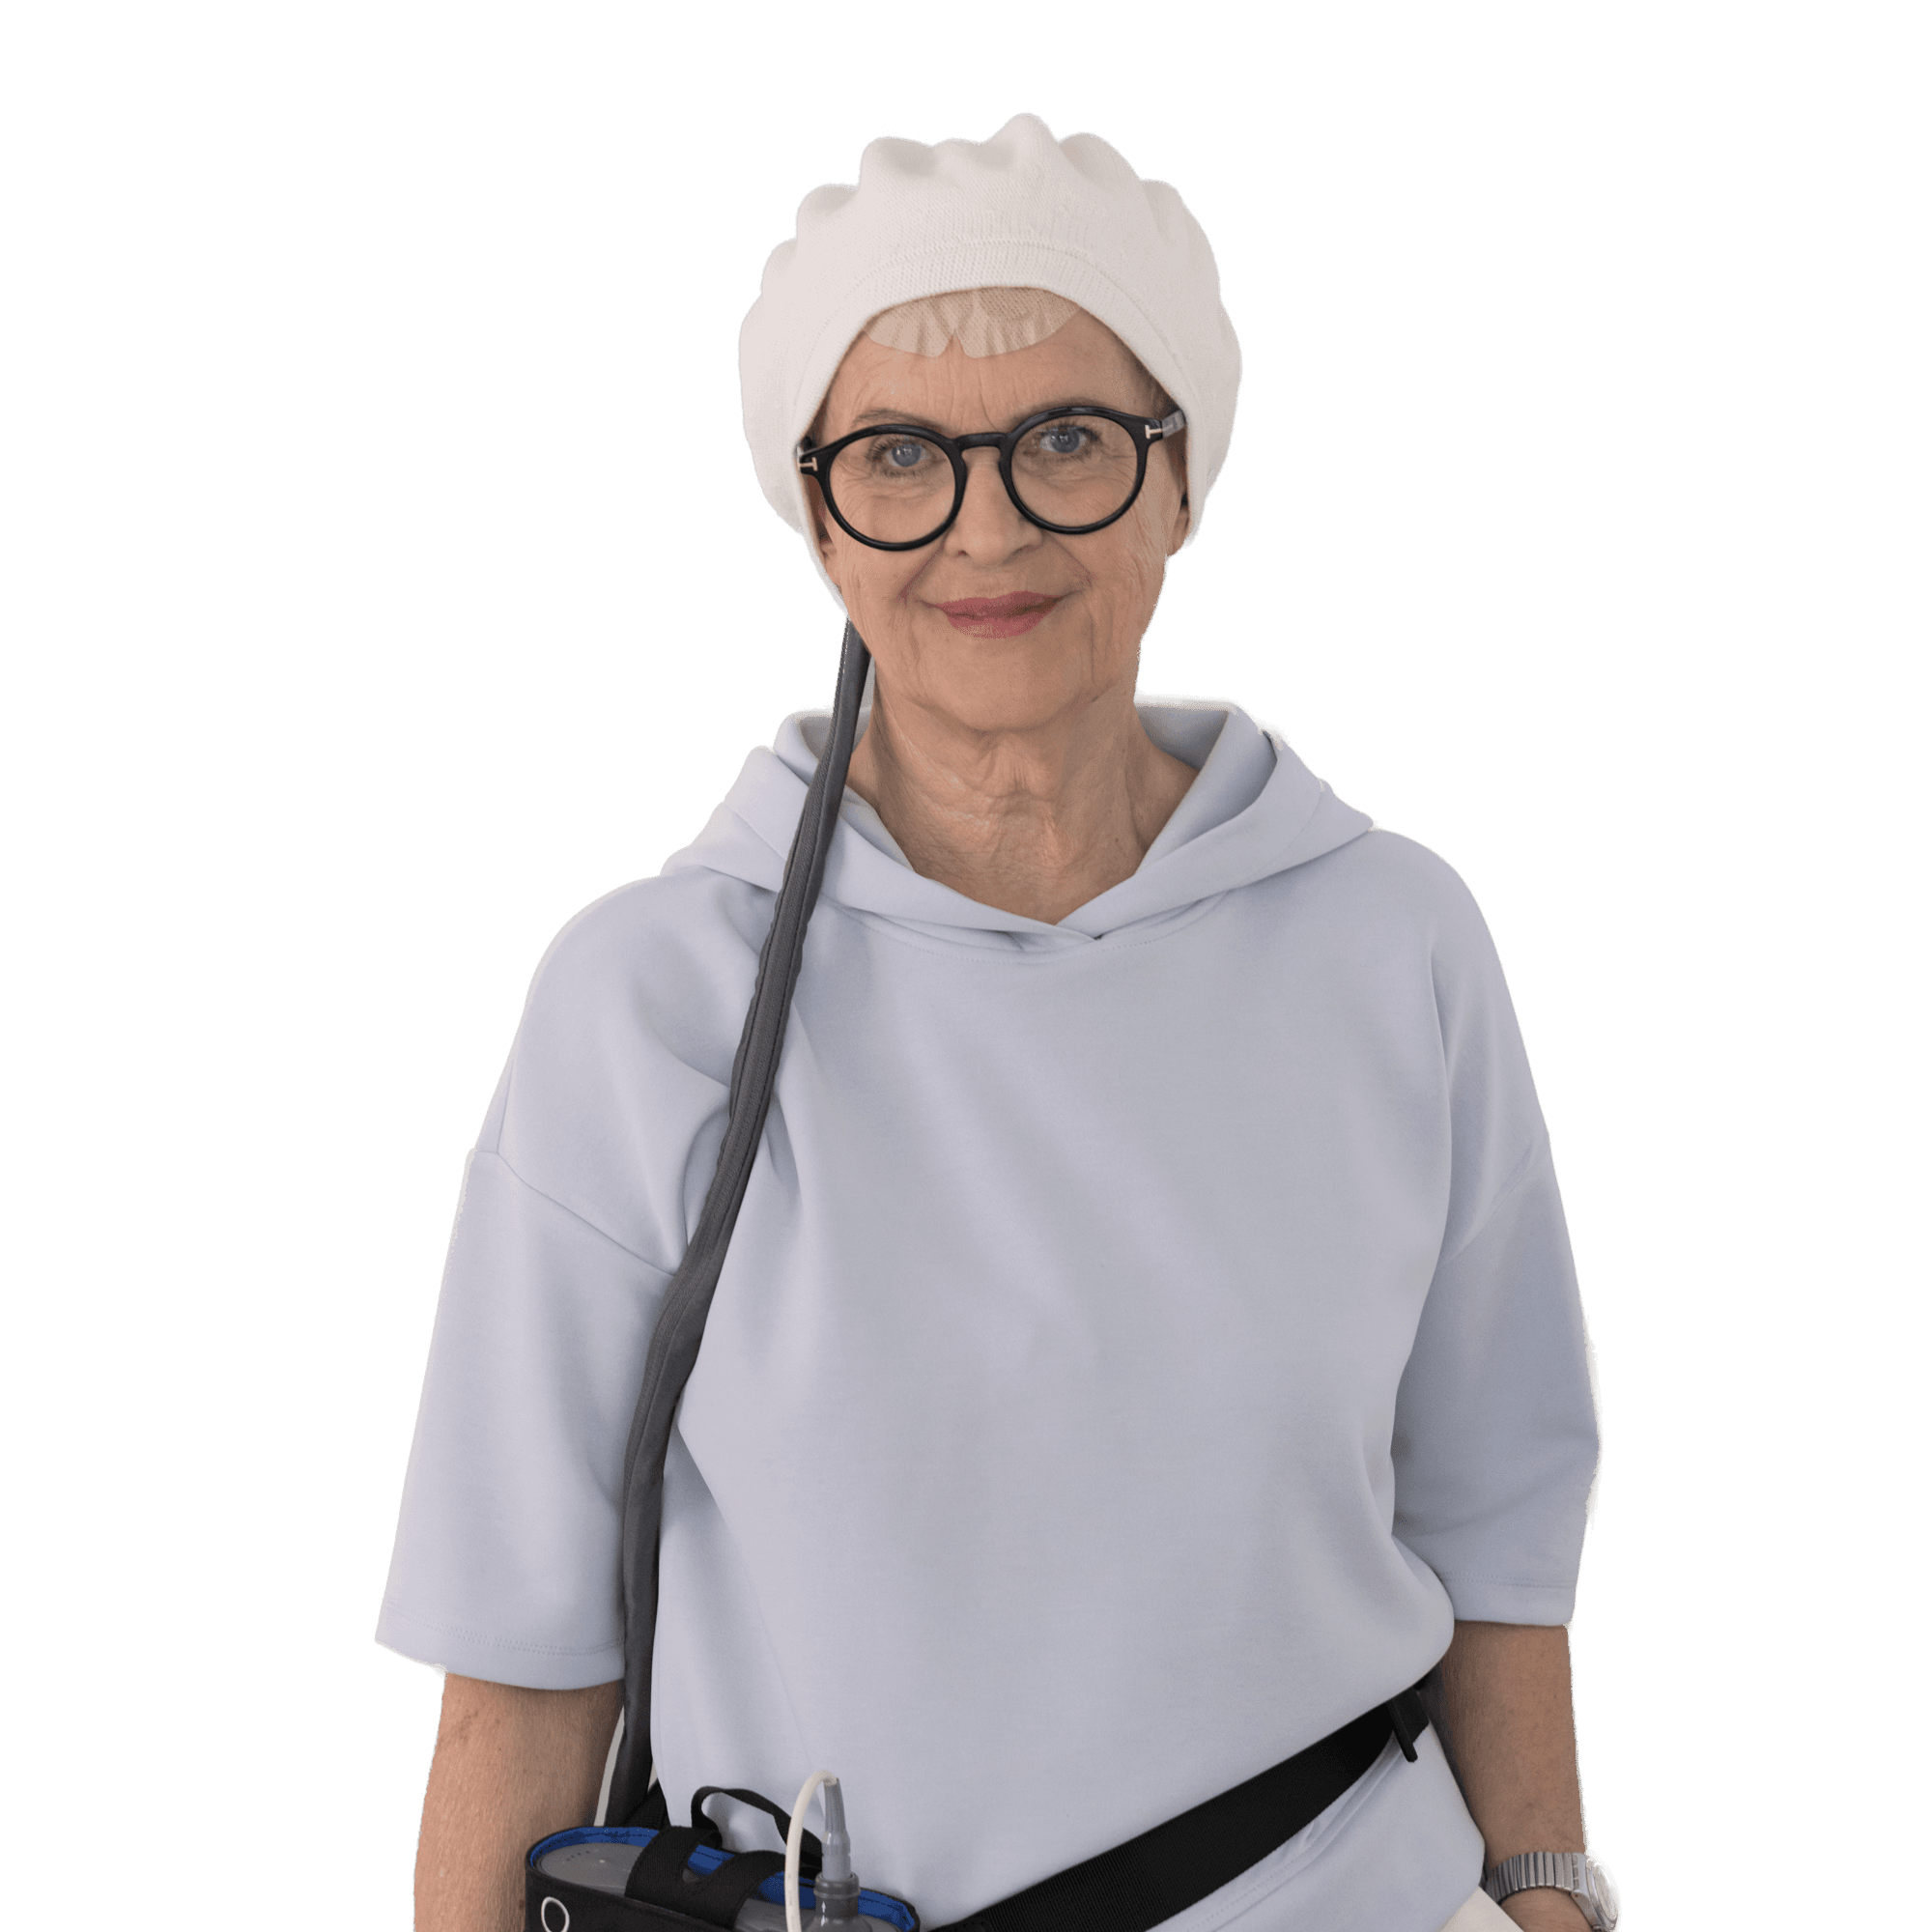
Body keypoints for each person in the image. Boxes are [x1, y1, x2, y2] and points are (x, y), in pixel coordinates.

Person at [379, 114, 1612, 1932]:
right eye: (900, 455)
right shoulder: (649, 1001)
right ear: (817, 517)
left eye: (1068, 441)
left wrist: (1552, 1896)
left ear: (1183, 479)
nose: (991, 526)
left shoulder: (1392, 935)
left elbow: (1501, 1515)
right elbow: (519, 1677)